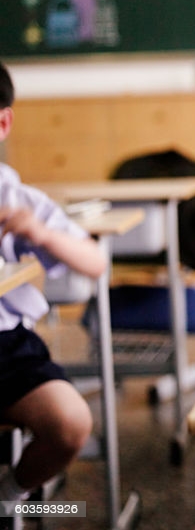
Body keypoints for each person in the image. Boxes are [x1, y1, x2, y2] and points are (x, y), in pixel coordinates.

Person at [0, 61, 107, 508]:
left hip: (5, 346)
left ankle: (9, 498)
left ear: (2, 122)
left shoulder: (17, 198)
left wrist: (41, 235)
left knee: (70, 423)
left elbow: (96, 261)